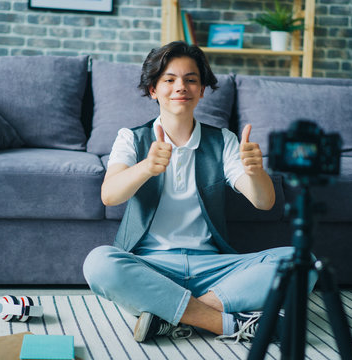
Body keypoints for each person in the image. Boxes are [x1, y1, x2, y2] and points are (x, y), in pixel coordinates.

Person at [83, 41, 316, 344]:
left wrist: (256, 171)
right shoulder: (130, 138)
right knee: (98, 263)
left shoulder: (224, 141)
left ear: (202, 89)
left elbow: (264, 201)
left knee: (305, 262)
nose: (181, 87)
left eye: (191, 79)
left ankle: (170, 315)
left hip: (214, 268)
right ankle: (226, 322)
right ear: (153, 89)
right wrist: (147, 168)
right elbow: (109, 195)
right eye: (169, 79)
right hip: (151, 266)